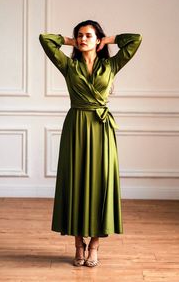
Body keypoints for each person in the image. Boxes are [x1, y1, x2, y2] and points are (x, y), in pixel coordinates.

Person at [39, 20, 142, 267]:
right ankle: (78, 245)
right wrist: (69, 41)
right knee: (75, 183)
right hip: (75, 126)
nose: (83, 39)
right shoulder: (68, 66)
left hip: (101, 128)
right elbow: (45, 39)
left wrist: (108, 40)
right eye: (79, 35)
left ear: (97, 39)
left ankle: (94, 245)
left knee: (100, 185)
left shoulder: (111, 65)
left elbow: (135, 39)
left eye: (88, 35)